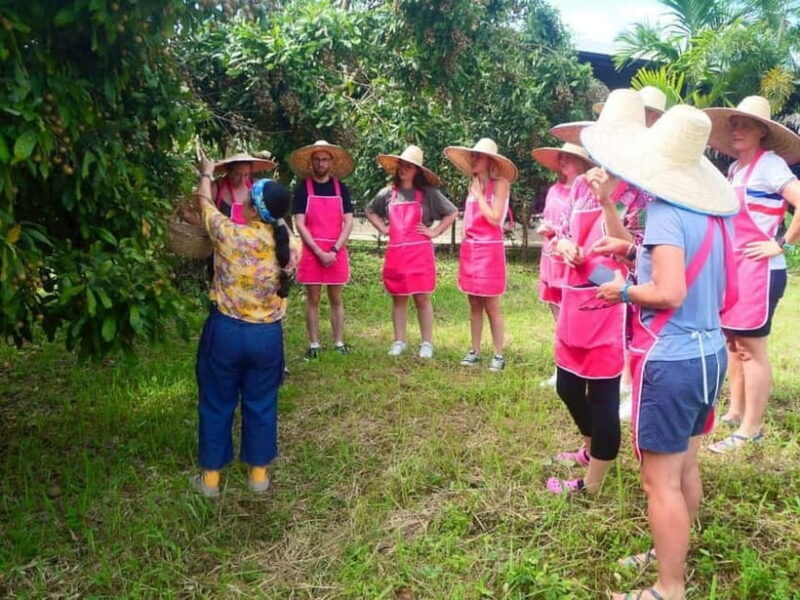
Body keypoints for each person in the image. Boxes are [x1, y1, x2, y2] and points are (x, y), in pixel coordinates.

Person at [586, 104, 739, 600]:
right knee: (684, 467)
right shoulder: (712, 217)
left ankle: (668, 588)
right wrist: (633, 253)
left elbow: (669, 291)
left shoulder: (668, 213)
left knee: (660, 482)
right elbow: (691, 272)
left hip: (672, 359)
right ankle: (669, 549)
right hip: (709, 351)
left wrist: (622, 292)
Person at [191, 153, 298, 498]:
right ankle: (258, 477)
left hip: (226, 332)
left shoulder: (230, 235)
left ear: (253, 209)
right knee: (262, 402)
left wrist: (207, 173)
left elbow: (205, 204)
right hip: (267, 337)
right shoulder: (287, 246)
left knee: (217, 401)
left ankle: (210, 481)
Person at [703, 96, 800, 453]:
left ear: (762, 131)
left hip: (760, 272)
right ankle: (735, 412)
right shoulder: (736, 170)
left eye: (745, 124)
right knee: (733, 344)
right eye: (734, 124)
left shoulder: (770, 164)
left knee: (751, 349)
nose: (737, 129)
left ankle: (751, 428)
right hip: (735, 269)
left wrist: (783, 245)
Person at [365, 145, 457, 358]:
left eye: (409, 166)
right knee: (398, 298)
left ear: (417, 171)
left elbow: (451, 212)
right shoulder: (388, 193)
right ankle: (399, 341)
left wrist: (434, 232)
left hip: (420, 255)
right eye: (402, 165)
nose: (403, 169)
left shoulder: (428, 194)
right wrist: (383, 228)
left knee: (422, 299)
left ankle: (427, 343)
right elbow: (370, 210)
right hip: (396, 255)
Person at [443, 138, 517, 371]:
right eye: (472, 156)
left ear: (489, 161)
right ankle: (474, 350)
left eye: (478, 156)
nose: (473, 160)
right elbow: (468, 221)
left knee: (491, 305)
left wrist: (477, 196)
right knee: (474, 303)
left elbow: (495, 218)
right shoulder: (473, 185)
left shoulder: (500, 184)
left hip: (490, 251)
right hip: (470, 251)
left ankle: (498, 354)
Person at [531, 142, 595, 387]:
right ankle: (562, 367)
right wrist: (547, 229)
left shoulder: (588, 192)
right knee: (558, 317)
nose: (563, 161)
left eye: (569, 157)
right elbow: (549, 219)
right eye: (561, 157)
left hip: (574, 262)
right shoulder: (553, 190)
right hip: (551, 259)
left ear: (581, 162)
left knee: (576, 318)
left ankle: (582, 365)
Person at [289, 140, 356, 360]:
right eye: (317, 159)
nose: (320, 163)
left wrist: (335, 249)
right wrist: (318, 251)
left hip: (336, 250)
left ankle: (338, 341)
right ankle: (314, 343)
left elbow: (348, 222)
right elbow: (300, 223)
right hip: (311, 251)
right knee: (313, 299)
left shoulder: (341, 188)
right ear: (311, 163)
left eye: (324, 159)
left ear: (331, 162)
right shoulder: (302, 189)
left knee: (336, 298)